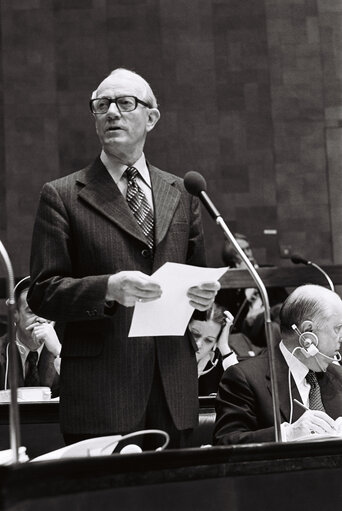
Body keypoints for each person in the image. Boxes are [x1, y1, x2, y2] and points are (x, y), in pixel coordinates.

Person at [28, 68, 220, 447]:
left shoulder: (182, 192)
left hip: (173, 389)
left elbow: (197, 282)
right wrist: (107, 289)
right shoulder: (63, 195)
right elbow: (43, 292)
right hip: (102, 392)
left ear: (152, 117)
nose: (112, 112)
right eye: (102, 105)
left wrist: (203, 300)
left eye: (125, 103)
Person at [213, 284, 342, 445]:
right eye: (337, 329)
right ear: (308, 332)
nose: (341, 338)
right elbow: (225, 443)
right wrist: (288, 434)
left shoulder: (338, 375)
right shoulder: (244, 378)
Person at [217, 233, 287, 346]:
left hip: (273, 319)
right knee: (271, 322)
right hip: (248, 325)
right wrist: (241, 280)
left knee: (277, 316)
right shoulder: (228, 279)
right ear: (232, 257)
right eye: (242, 251)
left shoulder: (267, 271)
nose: (248, 253)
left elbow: (284, 301)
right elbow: (232, 317)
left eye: (248, 249)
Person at [0, 276, 60, 397]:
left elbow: (82, 390)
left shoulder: (62, 349)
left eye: (45, 311)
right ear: (15, 315)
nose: (41, 319)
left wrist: (58, 351)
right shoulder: (1, 349)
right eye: (31, 312)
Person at [189, 303, 261, 395]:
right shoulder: (167, 357)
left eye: (209, 340)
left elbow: (245, 393)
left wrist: (223, 346)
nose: (198, 344)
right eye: (195, 335)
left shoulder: (217, 366)